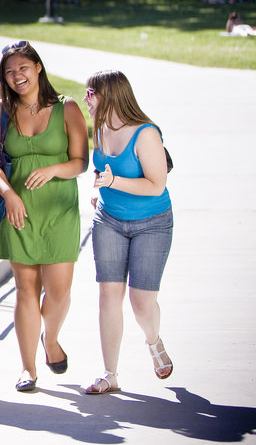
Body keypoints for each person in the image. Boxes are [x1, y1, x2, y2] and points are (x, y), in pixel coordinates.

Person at [0, 41, 88, 392]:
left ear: (38, 67)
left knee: (59, 292)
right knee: (26, 289)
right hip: (19, 212)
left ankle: (51, 339)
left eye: (23, 68)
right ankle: (28, 369)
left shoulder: (68, 108)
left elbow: (80, 162)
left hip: (60, 210)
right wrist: (9, 194)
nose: (17, 76)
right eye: (9, 72)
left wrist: (54, 169)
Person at [83, 69, 174, 395]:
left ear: (109, 95)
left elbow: (156, 184)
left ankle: (154, 341)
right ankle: (110, 374)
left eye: (90, 93)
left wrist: (112, 183)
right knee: (109, 295)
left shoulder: (146, 134)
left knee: (141, 302)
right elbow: (104, 168)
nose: (85, 99)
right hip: (109, 221)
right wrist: (102, 191)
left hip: (152, 222)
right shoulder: (99, 128)